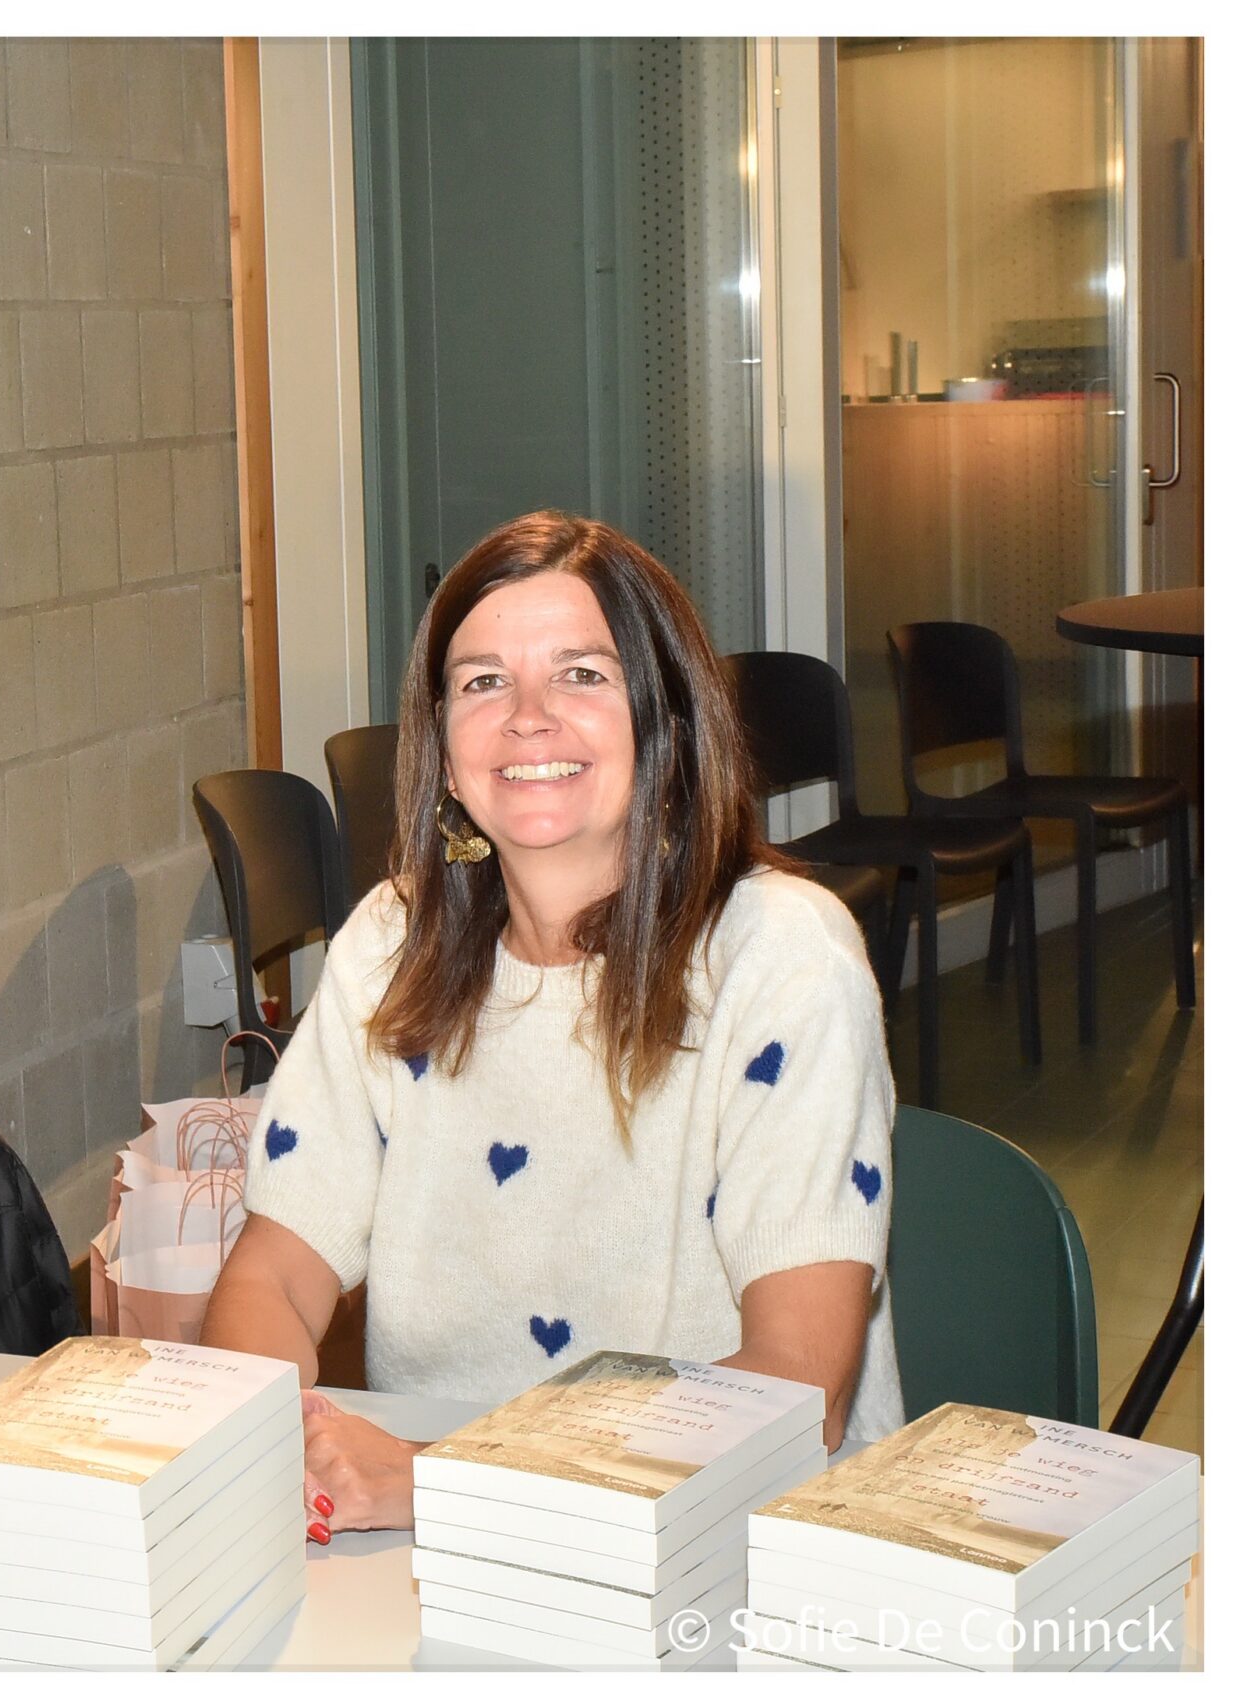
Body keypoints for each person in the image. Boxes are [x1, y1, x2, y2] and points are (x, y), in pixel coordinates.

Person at [199, 512, 901, 1539]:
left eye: (581, 675)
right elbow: (272, 1271)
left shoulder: (784, 957)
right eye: (483, 681)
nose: (528, 718)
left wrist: (446, 1483)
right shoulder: (391, 943)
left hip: (741, 1536)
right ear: (443, 750)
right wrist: (281, 1440)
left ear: (665, 725)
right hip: (439, 1536)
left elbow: (798, 1387)